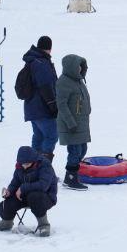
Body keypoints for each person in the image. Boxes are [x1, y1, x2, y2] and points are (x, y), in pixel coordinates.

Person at [0, 146, 57, 237]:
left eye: (27, 164)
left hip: (45, 197)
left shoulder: (45, 165)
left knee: (34, 196)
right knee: (9, 199)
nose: (24, 166)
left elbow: (43, 185)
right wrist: (9, 191)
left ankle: (44, 225)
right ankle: (6, 222)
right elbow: (15, 182)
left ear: (34, 160)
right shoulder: (19, 166)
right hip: (25, 196)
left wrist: (23, 188)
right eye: (22, 164)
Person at [56, 54, 91, 192]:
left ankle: (72, 175)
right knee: (75, 151)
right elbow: (62, 105)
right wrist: (70, 122)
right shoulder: (63, 82)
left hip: (81, 123)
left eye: (82, 66)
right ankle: (70, 178)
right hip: (71, 124)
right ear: (71, 67)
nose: (81, 68)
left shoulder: (79, 81)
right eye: (78, 66)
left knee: (82, 149)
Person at [20, 36, 59, 155]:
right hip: (42, 108)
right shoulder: (41, 63)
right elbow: (45, 86)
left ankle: (33, 166)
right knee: (52, 136)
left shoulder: (32, 61)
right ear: (49, 48)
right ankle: (43, 166)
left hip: (31, 108)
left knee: (39, 136)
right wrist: (53, 106)